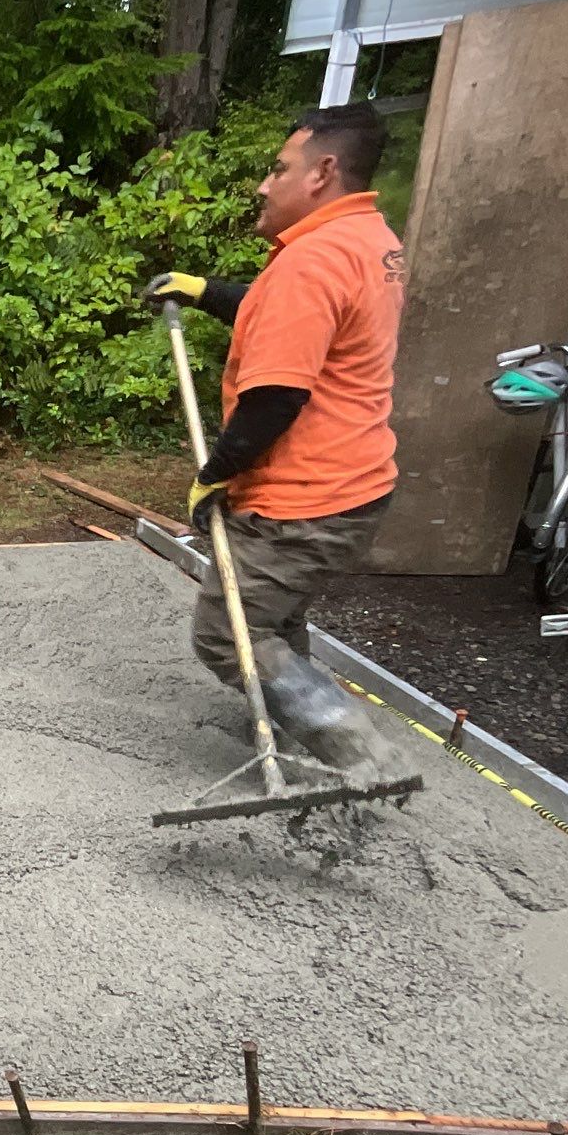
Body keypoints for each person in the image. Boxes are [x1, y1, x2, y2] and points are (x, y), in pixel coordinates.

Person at [145, 102, 405, 770]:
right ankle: (298, 731)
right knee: (274, 620)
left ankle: (360, 755)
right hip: (354, 484)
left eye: (280, 169)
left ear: (322, 172)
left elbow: (275, 397)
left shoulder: (311, 262)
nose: (265, 184)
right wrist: (207, 291)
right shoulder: (367, 240)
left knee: (228, 634)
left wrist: (215, 474)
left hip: (303, 500)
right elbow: (282, 311)